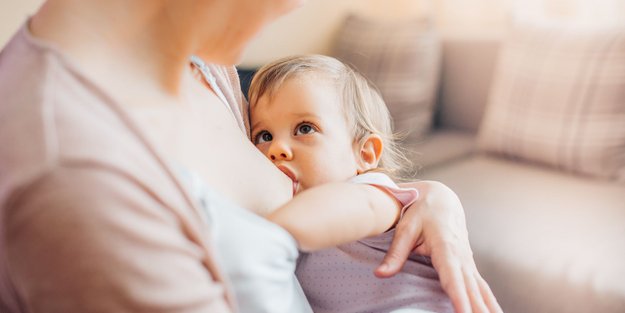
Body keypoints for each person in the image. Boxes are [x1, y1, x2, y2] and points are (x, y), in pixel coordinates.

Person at [0, 1, 501, 313]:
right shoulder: (72, 170)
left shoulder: (207, 70)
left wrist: (431, 200)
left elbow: (358, 192)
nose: (298, 5)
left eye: (304, 129)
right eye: (265, 137)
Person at [246, 54, 453, 312]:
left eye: (305, 128)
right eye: (264, 135)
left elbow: (307, 219)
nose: (276, 149)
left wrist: (249, 232)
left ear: (364, 154)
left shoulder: (374, 193)